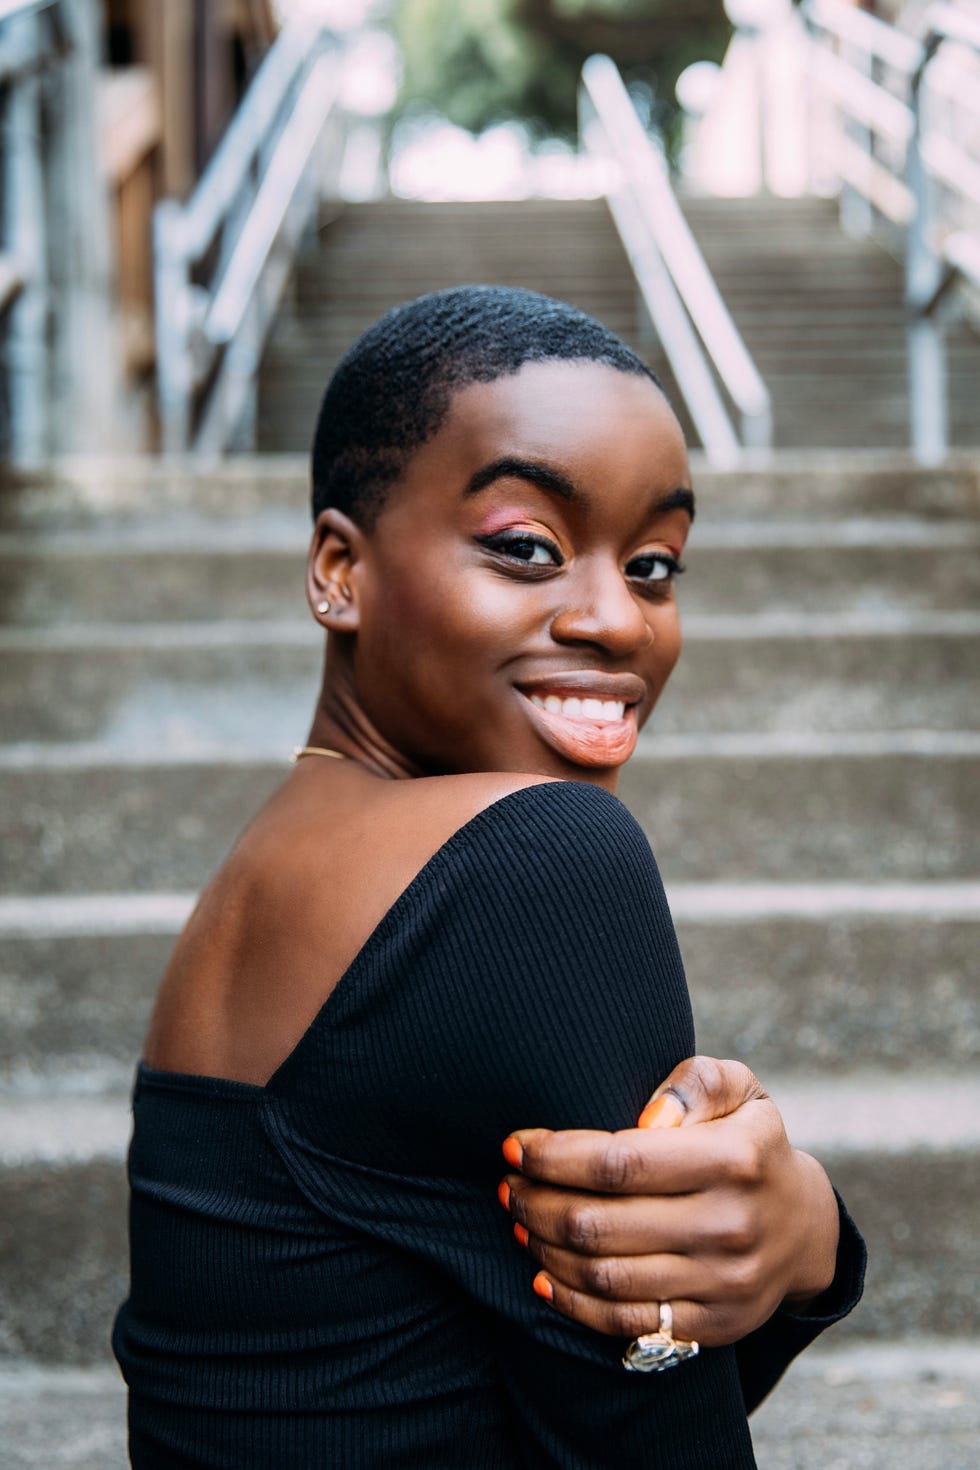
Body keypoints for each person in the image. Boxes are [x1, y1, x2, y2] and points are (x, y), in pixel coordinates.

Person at [113, 286, 865, 1468]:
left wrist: (802, 1238)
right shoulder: (530, 860)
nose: (617, 619)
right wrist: (813, 1250)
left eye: (657, 565)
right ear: (336, 572)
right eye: (527, 547)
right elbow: (653, 1434)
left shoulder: (276, 863)